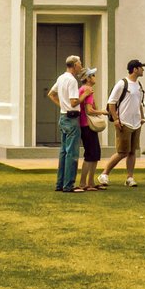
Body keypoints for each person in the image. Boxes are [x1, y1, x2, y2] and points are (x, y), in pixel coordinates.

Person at [98, 59, 145, 188]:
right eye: (141, 67)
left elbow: (139, 103)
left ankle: (130, 178)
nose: (143, 70)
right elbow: (111, 103)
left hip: (136, 123)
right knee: (122, 152)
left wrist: (142, 117)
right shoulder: (122, 84)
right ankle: (104, 174)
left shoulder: (139, 85)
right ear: (135, 69)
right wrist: (116, 119)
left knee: (132, 151)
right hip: (124, 123)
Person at [48, 54, 83, 193]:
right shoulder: (72, 80)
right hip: (72, 118)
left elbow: (51, 93)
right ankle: (69, 185)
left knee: (63, 152)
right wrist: (84, 96)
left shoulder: (61, 78)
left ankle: (60, 183)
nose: (81, 65)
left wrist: (62, 105)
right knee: (72, 153)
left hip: (63, 117)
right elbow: (74, 101)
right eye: (79, 63)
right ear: (74, 65)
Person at [75, 68, 104, 190]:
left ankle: (90, 182)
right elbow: (89, 110)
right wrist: (102, 112)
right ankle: (84, 183)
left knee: (94, 154)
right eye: (92, 75)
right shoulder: (87, 90)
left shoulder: (84, 89)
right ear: (87, 78)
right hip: (87, 125)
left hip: (84, 125)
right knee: (91, 154)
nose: (94, 77)